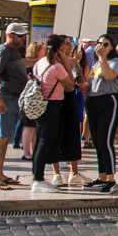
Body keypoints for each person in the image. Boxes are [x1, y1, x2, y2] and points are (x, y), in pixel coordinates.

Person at [29, 35, 76, 193]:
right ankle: (38, 179)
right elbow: (70, 85)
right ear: (59, 48)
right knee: (45, 143)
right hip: (53, 106)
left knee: (40, 142)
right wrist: (66, 63)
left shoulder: (39, 63)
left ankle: (37, 177)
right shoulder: (56, 67)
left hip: (40, 105)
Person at [0, 22, 29, 190]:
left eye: (24, 35)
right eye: (20, 36)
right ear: (9, 35)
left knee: (5, 138)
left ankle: (1, 174)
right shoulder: (3, 51)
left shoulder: (13, 52)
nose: (23, 38)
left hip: (13, 99)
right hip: (5, 98)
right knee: (2, 138)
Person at [85, 34, 118, 193]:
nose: (102, 46)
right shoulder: (95, 62)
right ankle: (102, 176)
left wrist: (102, 57)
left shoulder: (116, 62)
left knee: (105, 141)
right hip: (94, 100)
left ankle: (110, 178)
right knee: (97, 141)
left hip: (109, 101)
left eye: (106, 44)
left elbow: (109, 76)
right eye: (99, 43)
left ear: (112, 47)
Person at [50, 39, 89, 187]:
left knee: (73, 134)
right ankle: (56, 173)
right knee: (56, 135)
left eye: (70, 43)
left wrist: (79, 71)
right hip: (58, 99)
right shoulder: (57, 61)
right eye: (66, 43)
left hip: (72, 98)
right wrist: (72, 63)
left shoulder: (75, 60)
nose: (70, 45)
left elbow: (80, 80)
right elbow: (69, 83)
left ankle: (74, 172)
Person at [18, 41, 44, 162]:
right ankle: (27, 152)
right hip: (30, 99)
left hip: (36, 100)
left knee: (34, 128)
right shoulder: (29, 64)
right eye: (43, 49)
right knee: (29, 127)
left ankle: (33, 151)